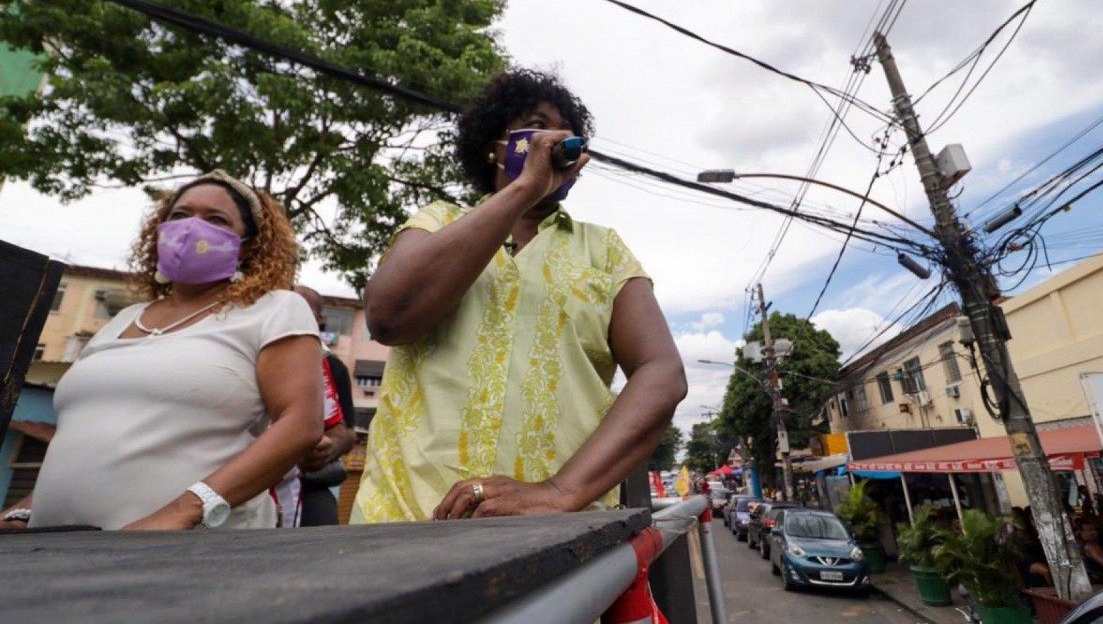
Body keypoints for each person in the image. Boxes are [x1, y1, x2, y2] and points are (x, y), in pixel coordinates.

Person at [352, 69, 687, 522]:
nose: (556, 140)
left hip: (554, 540)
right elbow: (389, 317)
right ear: (494, 146)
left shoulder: (604, 251)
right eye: (537, 125)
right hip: (402, 525)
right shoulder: (436, 222)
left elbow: (662, 373)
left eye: (566, 134)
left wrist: (558, 492)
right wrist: (524, 189)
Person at [2, 171, 323, 531]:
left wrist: (180, 513)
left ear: (248, 245)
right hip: (53, 549)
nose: (190, 228)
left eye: (215, 219)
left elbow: (300, 425)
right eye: (179, 216)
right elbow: (80, 440)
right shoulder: (122, 319)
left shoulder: (274, 309)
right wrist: (23, 513)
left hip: (184, 559)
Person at [295, 285, 357, 526]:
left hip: (308, 487)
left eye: (301, 308)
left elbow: (347, 433)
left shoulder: (328, 364)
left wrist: (326, 450)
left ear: (319, 319)